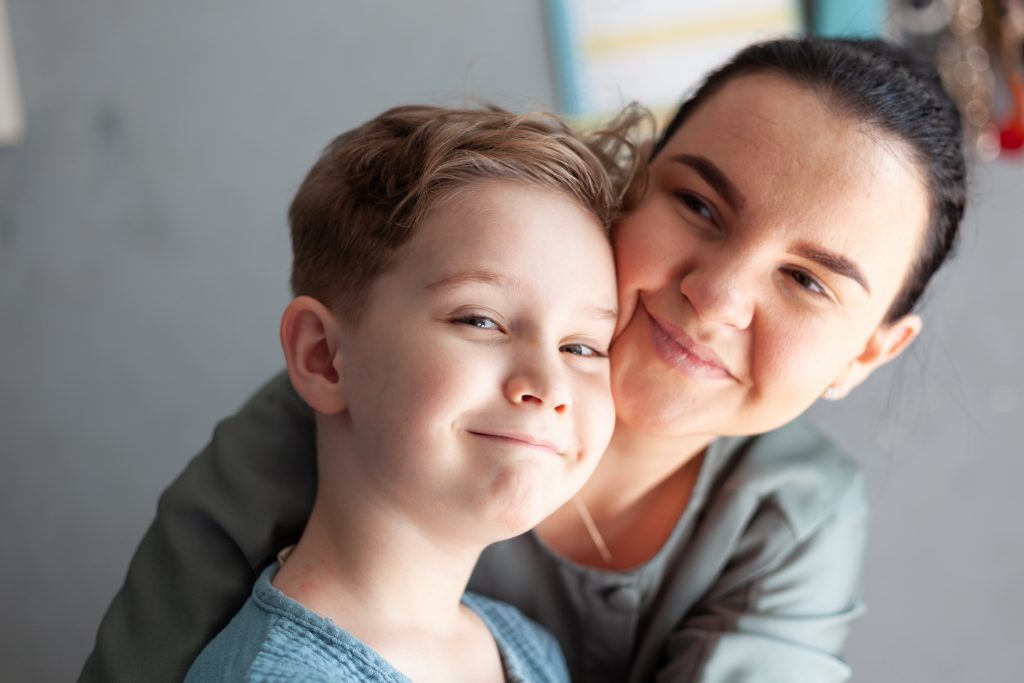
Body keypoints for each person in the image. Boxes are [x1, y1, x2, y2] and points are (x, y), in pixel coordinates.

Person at [80, 36, 967, 683]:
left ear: (870, 351)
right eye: (699, 205)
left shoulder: (793, 516)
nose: (719, 294)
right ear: (634, 185)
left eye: (809, 282)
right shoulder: (350, 404)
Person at [181, 103, 646, 682]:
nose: (549, 387)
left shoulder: (527, 650)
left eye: (582, 347)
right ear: (322, 357)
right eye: (480, 320)